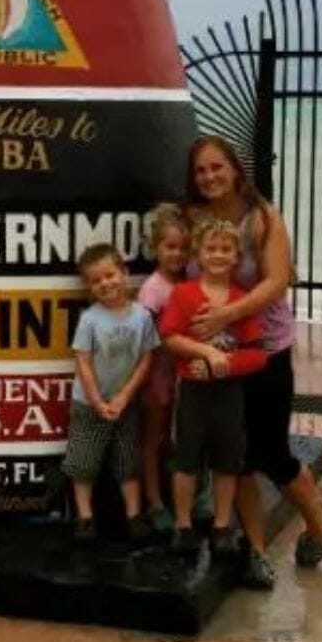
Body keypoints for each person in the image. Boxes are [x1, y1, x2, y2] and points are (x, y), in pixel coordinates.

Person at [184, 133, 322, 581]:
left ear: (235, 170)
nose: (210, 176)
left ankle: (318, 522)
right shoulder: (191, 219)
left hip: (266, 351)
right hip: (215, 354)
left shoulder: (264, 218)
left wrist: (228, 312)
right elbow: (174, 274)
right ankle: (255, 550)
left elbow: (277, 281)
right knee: (236, 455)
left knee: (271, 451)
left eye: (217, 167)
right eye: (200, 170)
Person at [157, 218, 272, 581]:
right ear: (198, 254)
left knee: (227, 462)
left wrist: (228, 364)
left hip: (228, 393)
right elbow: (170, 336)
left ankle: (222, 524)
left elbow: (258, 353)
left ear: (237, 257)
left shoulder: (241, 301)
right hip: (193, 391)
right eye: (211, 249)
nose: (218, 255)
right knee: (186, 460)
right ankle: (184, 523)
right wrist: (206, 353)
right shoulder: (185, 294)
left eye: (226, 250)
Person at [64, 242, 159, 543]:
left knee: (127, 461)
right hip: (88, 404)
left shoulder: (142, 316)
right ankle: (84, 517)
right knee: (83, 463)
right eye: (96, 280)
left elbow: (147, 357)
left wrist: (124, 397)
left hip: (124, 403)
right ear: (89, 287)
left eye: (110, 275)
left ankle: (133, 514)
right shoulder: (90, 319)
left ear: (124, 273)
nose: (106, 283)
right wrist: (96, 401)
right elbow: (83, 361)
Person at [134, 203, 190, 535]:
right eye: (170, 247)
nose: (178, 254)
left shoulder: (188, 281)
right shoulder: (153, 289)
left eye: (184, 248)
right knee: (153, 437)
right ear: (156, 247)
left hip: (184, 372)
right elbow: (144, 334)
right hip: (158, 372)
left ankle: (180, 494)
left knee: (177, 435)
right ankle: (153, 500)